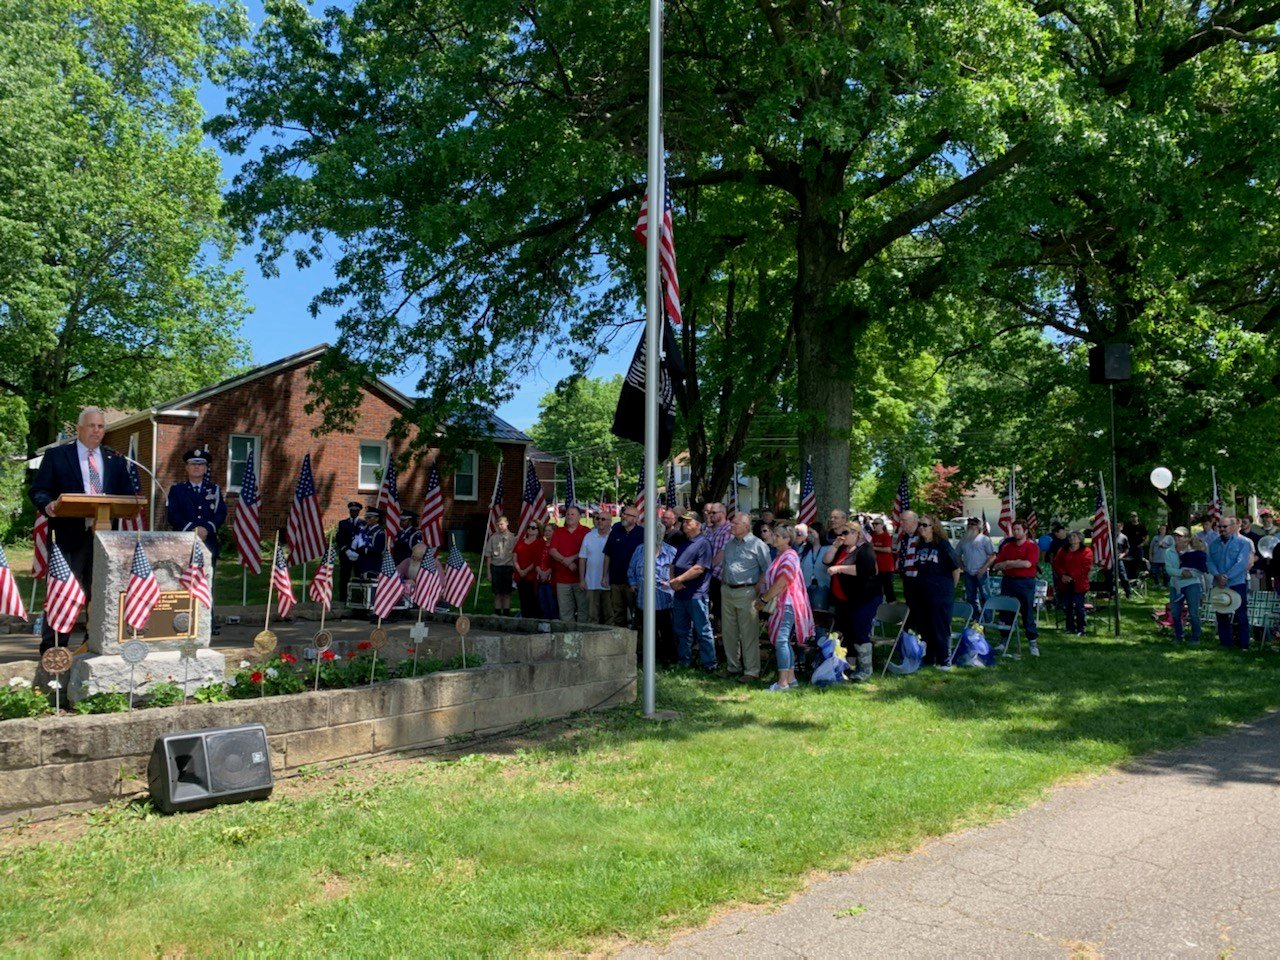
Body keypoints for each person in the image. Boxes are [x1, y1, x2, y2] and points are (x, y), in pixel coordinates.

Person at [28, 406, 133, 651]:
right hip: (68, 536)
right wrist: (48, 504)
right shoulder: (57, 456)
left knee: (101, 593)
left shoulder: (114, 459)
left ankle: (94, 644)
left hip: (105, 539)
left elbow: (128, 496)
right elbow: (38, 490)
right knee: (63, 593)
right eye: (92, 426)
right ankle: (54, 649)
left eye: (101, 426)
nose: (97, 431)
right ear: (79, 428)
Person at [166, 446, 228, 631]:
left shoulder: (214, 489)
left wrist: (207, 528)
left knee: (207, 581)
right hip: (184, 544)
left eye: (201, 464)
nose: (197, 468)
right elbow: (172, 515)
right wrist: (192, 529)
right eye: (193, 464)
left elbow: (221, 513)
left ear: (206, 468)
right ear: (186, 467)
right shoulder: (177, 490)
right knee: (183, 580)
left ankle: (207, 620)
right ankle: (182, 619)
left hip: (208, 543)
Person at [754, 522, 813, 691]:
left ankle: (782, 683)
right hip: (781, 604)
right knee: (783, 641)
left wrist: (764, 600)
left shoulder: (790, 556)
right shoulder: (781, 556)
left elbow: (782, 582)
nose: (773, 538)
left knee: (780, 641)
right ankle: (791, 678)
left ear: (787, 539)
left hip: (787, 603)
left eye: (777, 536)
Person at [716, 512, 771, 682]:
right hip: (727, 591)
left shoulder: (758, 545)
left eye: (735, 524)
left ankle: (752, 671)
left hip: (747, 592)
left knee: (748, 633)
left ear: (746, 526)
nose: (731, 526)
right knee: (729, 632)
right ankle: (733, 667)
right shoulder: (730, 544)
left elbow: (767, 569)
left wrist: (758, 587)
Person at [823, 522, 881, 681]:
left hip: (865, 597)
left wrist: (840, 568)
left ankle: (866, 669)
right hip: (845, 599)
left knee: (860, 630)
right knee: (847, 631)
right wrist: (834, 546)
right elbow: (826, 560)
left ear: (857, 534)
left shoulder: (865, 549)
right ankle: (850, 667)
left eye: (846, 533)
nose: (842, 536)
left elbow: (865, 570)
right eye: (840, 533)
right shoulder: (842, 548)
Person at [666, 512, 718, 672]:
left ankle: (709, 664)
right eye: (683, 522)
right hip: (680, 594)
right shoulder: (683, 543)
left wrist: (678, 580)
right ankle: (684, 662)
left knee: (703, 630)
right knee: (682, 631)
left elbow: (699, 568)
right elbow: (673, 565)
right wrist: (673, 580)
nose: (684, 525)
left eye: (688, 522)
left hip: (696, 594)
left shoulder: (703, 543)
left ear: (698, 524)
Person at [911, 515, 961, 667]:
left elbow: (956, 569)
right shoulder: (919, 546)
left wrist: (950, 588)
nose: (921, 528)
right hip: (923, 593)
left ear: (934, 528)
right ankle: (929, 658)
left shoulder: (943, 545)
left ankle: (944, 660)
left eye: (925, 525)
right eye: (920, 525)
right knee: (925, 627)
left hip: (941, 593)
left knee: (940, 627)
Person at [993, 519, 1041, 656]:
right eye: (1014, 529)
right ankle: (1003, 640)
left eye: (1018, 529)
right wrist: (1013, 563)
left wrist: (1008, 563)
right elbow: (997, 565)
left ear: (1025, 531)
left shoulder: (1031, 547)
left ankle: (1032, 643)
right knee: (1005, 612)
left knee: (1027, 613)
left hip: (1025, 583)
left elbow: (1027, 564)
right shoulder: (1007, 547)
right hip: (1008, 581)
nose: (1015, 532)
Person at [628, 536, 678, 666]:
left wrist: (670, 583)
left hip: (664, 599)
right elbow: (631, 568)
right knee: (647, 631)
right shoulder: (640, 549)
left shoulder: (671, 551)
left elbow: (677, 571)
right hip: (643, 599)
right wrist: (632, 583)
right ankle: (649, 658)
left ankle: (667, 659)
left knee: (666, 630)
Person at [1208, 516, 1252, 649]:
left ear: (1233, 527)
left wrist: (1226, 577)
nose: (1221, 529)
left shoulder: (1243, 543)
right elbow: (1209, 562)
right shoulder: (1213, 543)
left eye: (1224, 526)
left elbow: (1241, 563)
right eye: (1219, 526)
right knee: (1221, 613)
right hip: (1219, 584)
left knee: (1241, 616)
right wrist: (1217, 575)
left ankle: (1244, 644)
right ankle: (1225, 643)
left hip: (1236, 583)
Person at [604, 505, 643, 628]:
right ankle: (620, 642)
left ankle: (638, 644)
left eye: (627, 514)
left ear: (635, 518)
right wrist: (604, 575)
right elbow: (607, 555)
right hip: (616, 580)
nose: (623, 516)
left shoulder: (642, 534)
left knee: (636, 615)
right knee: (618, 613)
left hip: (633, 583)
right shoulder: (615, 532)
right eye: (623, 513)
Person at [1164, 527, 1205, 644]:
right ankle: (1178, 635)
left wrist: (1190, 574)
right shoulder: (1169, 551)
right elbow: (1169, 569)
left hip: (1192, 584)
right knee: (1175, 613)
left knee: (1193, 612)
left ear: (1187, 538)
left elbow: (1200, 569)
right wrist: (1182, 572)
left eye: (1180, 536)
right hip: (1175, 585)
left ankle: (1195, 637)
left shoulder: (1195, 551)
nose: (1176, 538)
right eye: (1175, 536)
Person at [549, 506, 589, 623]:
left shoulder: (586, 531)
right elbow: (552, 551)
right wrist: (565, 561)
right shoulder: (559, 531)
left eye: (572, 514)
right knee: (565, 610)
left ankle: (582, 634)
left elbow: (587, 550)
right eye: (567, 514)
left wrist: (572, 558)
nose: (569, 516)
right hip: (562, 579)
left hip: (581, 578)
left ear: (579, 517)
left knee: (583, 609)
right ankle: (568, 635)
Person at [1051, 531, 1093, 636]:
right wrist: (1063, 575)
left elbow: (1086, 567)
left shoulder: (1086, 551)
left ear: (1080, 539)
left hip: (1079, 583)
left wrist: (1072, 576)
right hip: (1065, 583)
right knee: (1067, 606)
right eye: (1070, 537)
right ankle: (1069, 627)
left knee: (1079, 606)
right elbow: (1056, 563)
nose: (1072, 538)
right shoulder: (1063, 550)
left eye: (1074, 536)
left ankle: (1081, 628)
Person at [579, 510, 613, 624]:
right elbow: (582, 559)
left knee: (610, 615)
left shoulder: (614, 536)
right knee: (592, 615)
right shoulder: (588, 536)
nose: (599, 521)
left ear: (610, 521)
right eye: (598, 518)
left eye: (603, 519)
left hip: (609, 582)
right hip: (591, 582)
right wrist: (582, 580)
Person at [702, 501, 732, 630]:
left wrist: (705, 567)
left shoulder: (729, 529)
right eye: (709, 512)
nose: (710, 515)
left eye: (713, 512)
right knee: (707, 611)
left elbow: (722, 554)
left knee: (721, 613)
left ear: (723, 513)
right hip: (707, 575)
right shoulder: (708, 530)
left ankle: (725, 644)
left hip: (720, 577)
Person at [957, 517, 995, 612]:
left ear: (978, 527)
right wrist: (962, 566)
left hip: (981, 573)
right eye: (969, 524)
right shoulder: (963, 540)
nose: (970, 526)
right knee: (970, 597)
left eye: (973, 524)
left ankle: (987, 620)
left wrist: (983, 569)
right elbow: (957, 555)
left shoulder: (984, 539)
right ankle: (975, 618)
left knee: (985, 596)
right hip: (968, 573)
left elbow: (993, 556)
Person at [796, 523, 831, 622]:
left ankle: (819, 637)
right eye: (808, 533)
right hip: (804, 587)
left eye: (811, 532)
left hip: (821, 587)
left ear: (819, 533)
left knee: (818, 618)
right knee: (803, 617)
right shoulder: (804, 549)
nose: (809, 535)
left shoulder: (828, 548)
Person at [483, 515, 516, 616]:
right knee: (497, 593)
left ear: (507, 523)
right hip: (496, 568)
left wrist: (515, 571)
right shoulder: (493, 538)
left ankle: (506, 615)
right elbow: (488, 556)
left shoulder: (512, 538)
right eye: (498, 525)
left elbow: (515, 555)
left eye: (502, 524)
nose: (500, 526)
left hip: (508, 568)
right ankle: (497, 614)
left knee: (506, 593)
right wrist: (488, 572)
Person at [513, 520, 545, 619]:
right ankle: (524, 621)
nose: (530, 529)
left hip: (532, 577)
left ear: (538, 530)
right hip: (520, 575)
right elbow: (514, 557)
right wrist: (519, 570)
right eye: (529, 527)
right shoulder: (521, 542)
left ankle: (533, 622)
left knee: (533, 600)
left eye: (533, 528)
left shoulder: (540, 542)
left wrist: (525, 571)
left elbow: (537, 560)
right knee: (523, 600)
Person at [335, 501, 366, 604]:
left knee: (359, 577)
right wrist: (346, 549)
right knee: (344, 577)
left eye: (356, 511)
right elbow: (340, 538)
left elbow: (365, 539)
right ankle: (342, 599)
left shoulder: (364, 524)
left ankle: (359, 598)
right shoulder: (343, 523)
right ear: (349, 511)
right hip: (346, 555)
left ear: (359, 511)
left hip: (359, 555)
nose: (353, 512)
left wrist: (360, 552)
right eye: (352, 510)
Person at [895, 511, 921, 629]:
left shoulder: (921, 535)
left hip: (918, 576)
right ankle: (909, 628)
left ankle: (916, 628)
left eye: (904, 520)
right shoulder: (905, 536)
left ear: (914, 521)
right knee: (909, 603)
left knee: (918, 604)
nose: (901, 523)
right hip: (907, 575)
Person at [353, 506, 386, 577]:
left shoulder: (380, 531)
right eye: (366, 517)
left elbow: (378, 549)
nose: (366, 519)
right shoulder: (364, 529)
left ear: (377, 519)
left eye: (369, 517)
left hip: (372, 563)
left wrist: (362, 549)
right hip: (362, 562)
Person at [870, 517, 896, 602]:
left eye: (876, 524)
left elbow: (888, 549)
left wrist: (873, 548)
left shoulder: (886, 536)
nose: (874, 525)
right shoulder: (872, 535)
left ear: (882, 525)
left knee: (888, 588)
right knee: (876, 588)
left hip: (886, 567)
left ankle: (892, 606)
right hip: (876, 567)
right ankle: (878, 606)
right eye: (873, 524)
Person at [537, 522, 558, 619]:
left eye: (550, 531)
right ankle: (545, 624)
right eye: (546, 531)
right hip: (541, 579)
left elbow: (556, 562)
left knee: (552, 603)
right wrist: (540, 572)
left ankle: (554, 625)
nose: (547, 533)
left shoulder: (556, 546)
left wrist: (548, 572)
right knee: (543, 603)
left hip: (551, 580)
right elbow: (536, 561)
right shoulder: (542, 545)